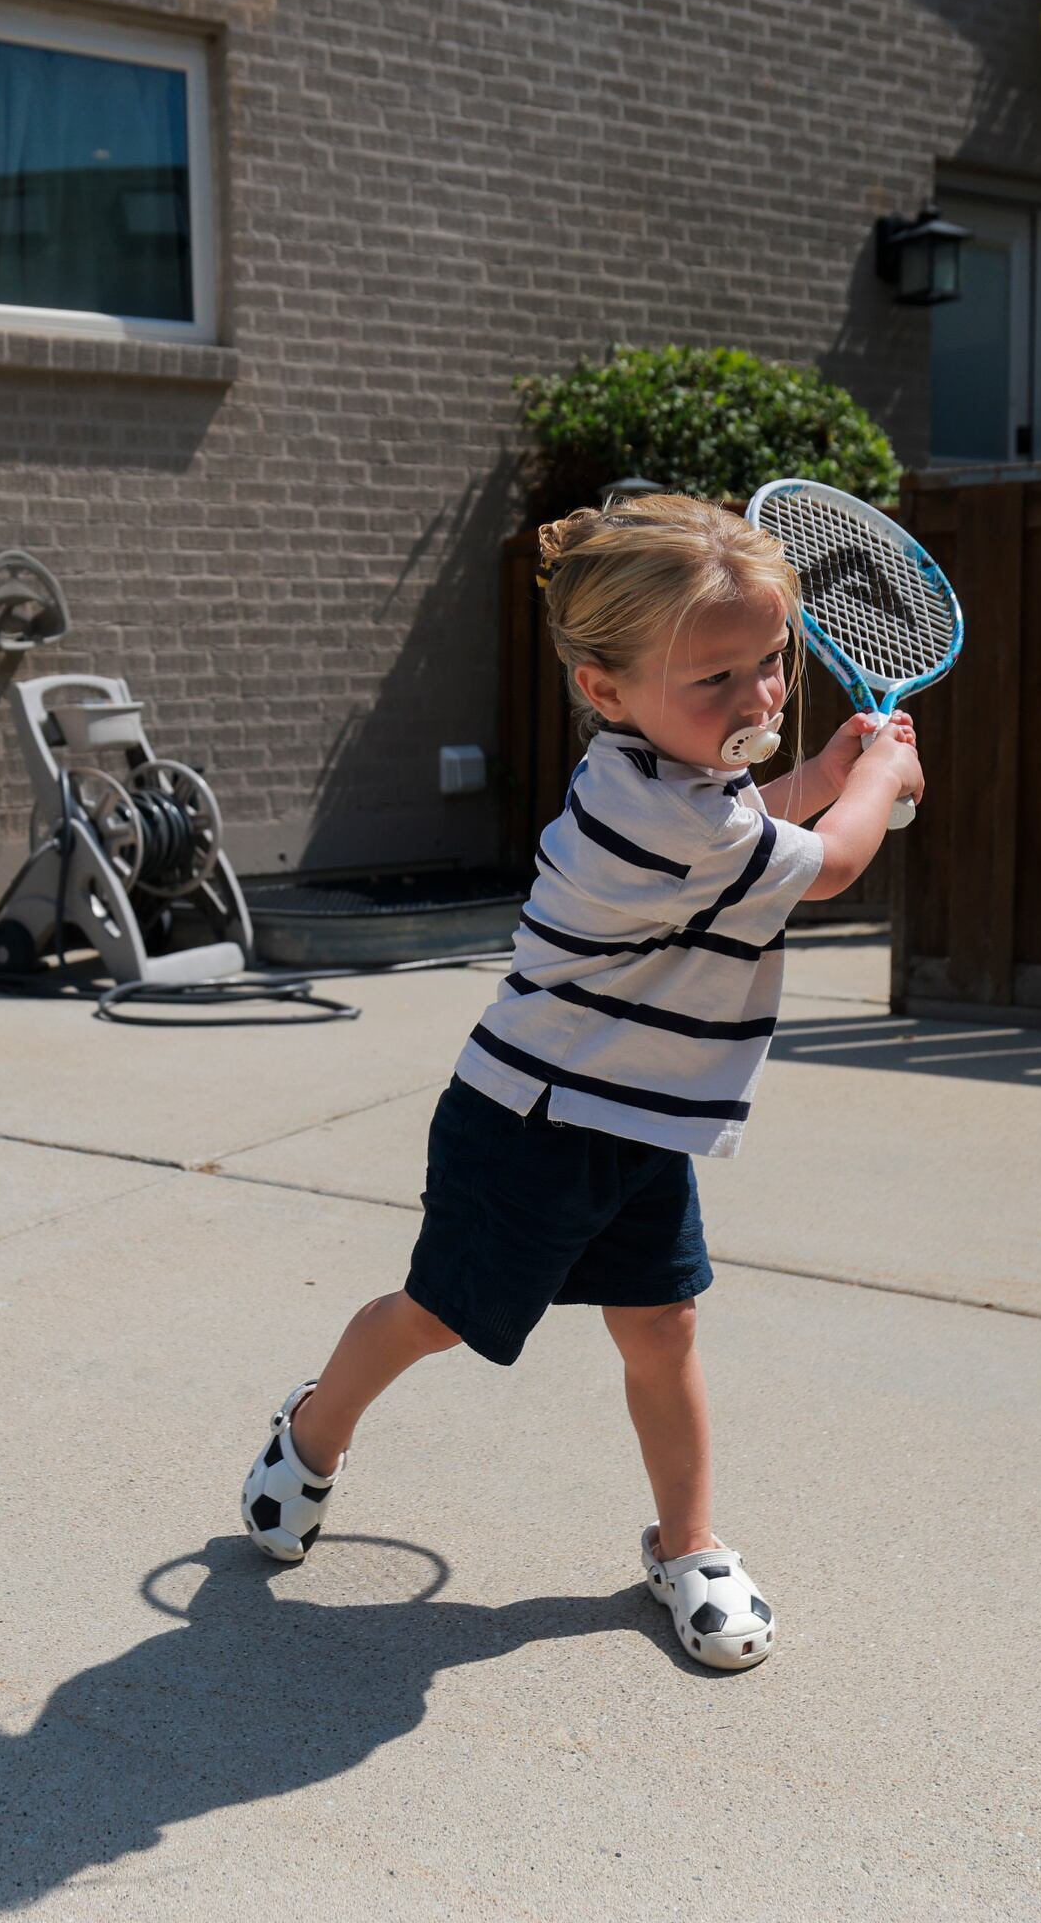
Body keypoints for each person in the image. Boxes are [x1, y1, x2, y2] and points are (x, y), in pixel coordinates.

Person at [237, 493, 925, 1672]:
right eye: (717, 678)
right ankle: (310, 1431)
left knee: (663, 1325)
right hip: (531, 1121)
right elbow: (832, 862)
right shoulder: (647, 808)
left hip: (634, 1121)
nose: (757, 697)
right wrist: (884, 779)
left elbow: (758, 820)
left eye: (771, 662)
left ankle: (689, 1541)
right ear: (605, 690)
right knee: (439, 1313)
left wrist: (819, 769)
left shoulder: (679, 777)